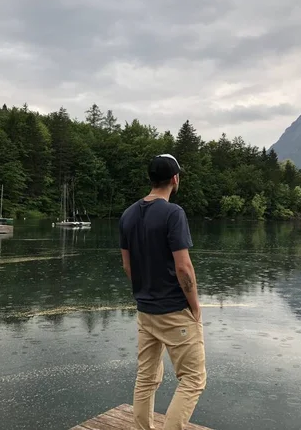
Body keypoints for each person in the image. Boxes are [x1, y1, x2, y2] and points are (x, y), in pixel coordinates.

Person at [119, 154, 206, 430]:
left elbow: (127, 265)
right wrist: (194, 306)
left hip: (145, 311)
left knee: (146, 378)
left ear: (151, 179)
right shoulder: (173, 214)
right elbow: (184, 269)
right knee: (193, 379)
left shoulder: (128, 215)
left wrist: (146, 291)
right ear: (175, 179)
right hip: (174, 311)